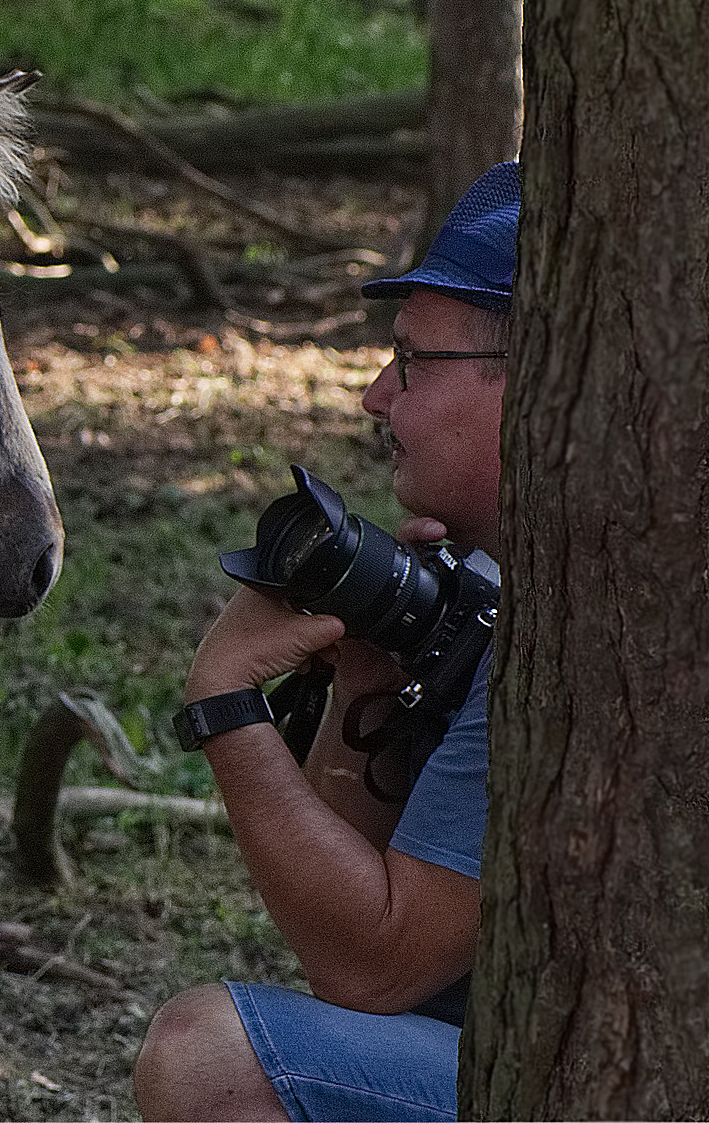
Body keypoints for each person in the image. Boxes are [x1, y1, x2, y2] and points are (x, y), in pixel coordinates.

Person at [133, 162, 520, 1122]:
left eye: (412, 360)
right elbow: (343, 941)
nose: (373, 398)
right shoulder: (514, 581)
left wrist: (227, 706)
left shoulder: (579, 632)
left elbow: (373, 963)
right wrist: (362, 692)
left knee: (212, 1061)